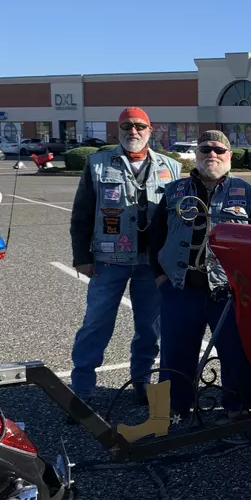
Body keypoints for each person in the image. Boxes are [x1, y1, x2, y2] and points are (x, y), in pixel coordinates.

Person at [147, 129, 251, 425]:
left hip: (228, 293)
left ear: (229, 155)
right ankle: (168, 413)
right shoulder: (174, 192)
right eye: (205, 150)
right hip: (181, 288)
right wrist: (160, 278)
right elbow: (155, 237)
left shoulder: (250, 195)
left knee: (235, 352)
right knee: (174, 355)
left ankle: (238, 408)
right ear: (196, 155)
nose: (211, 155)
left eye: (218, 150)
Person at [67, 107, 181, 419]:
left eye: (139, 126)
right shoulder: (98, 163)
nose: (133, 131)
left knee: (149, 328)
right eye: (127, 126)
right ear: (118, 129)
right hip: (109, 259)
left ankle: (141, 383)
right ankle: (82, 390)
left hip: (152, 263)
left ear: (150, 129)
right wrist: (82, 257)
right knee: (96, 324)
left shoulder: (170, 167)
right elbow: (82, 215)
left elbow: (176, 218)